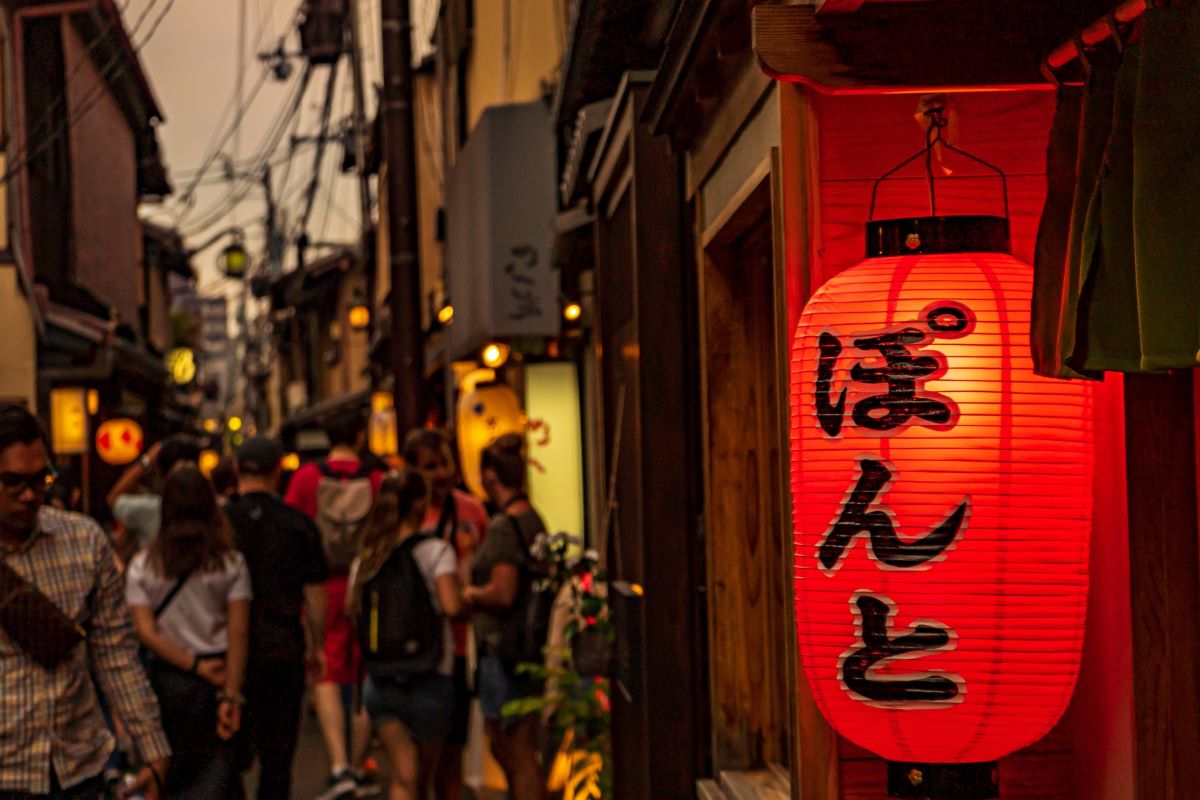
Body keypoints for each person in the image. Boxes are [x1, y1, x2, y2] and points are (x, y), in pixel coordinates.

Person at [0, 405, 170, 799]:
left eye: (40, 479)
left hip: (79, 767)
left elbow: (116, 654)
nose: (30, 494)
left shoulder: (84, 541)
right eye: (12, 482)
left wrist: (152, 746)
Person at [126, 465, 250, 799]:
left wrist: (193, 666)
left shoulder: (143, 565)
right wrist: (232, 694)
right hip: (220, 675)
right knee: (219, 777)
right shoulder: (231, 563)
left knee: (172, 776)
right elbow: (238, 631)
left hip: (168, 680)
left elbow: (146, 632)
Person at [285, 410, 384, 800]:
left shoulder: (307, 479)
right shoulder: (376, 480)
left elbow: (294, 531)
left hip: (321, 587)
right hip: (367, 585)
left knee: (324, 669)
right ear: (360, 436)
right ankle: (358, 766)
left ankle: (338, 766)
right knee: (365, 672)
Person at [225, 437, 329, 800]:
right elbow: (315, 597)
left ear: (236, 469)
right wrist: (317, 647)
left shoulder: (220, 524)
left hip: (227, 654)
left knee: (229, 756)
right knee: (278, 758)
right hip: (282, 648)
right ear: (278, 471)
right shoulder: (298, 525)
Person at [348, 469, 463, 800]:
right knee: (421, 779)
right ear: (420, 504)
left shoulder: (367, 557)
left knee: (403, 776)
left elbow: (351, 609)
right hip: (430, 676)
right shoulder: (436, 551)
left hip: (381, 679)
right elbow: (452, 606)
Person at [402, 428, 489, 800]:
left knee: (453, 749)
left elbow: (485, 568)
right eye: (429, 466)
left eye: (444, 464)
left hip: (460, 647)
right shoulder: (404, 516)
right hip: (415, 652)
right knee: (417, 761)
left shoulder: (472, 510)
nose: (440, 473)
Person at [462, 434, 549, 800]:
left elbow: (503, 592)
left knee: (513, 745)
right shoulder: (532, 518)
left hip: (505, 646)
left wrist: (470, 593)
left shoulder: (503, 526)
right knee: (517, 744)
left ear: (490, 476)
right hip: (527, 643)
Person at [108, 435, 202, 548]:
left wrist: (146, 461)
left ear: (160, 473)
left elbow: (113, 499)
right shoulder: (211, 508)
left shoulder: (152, 508)